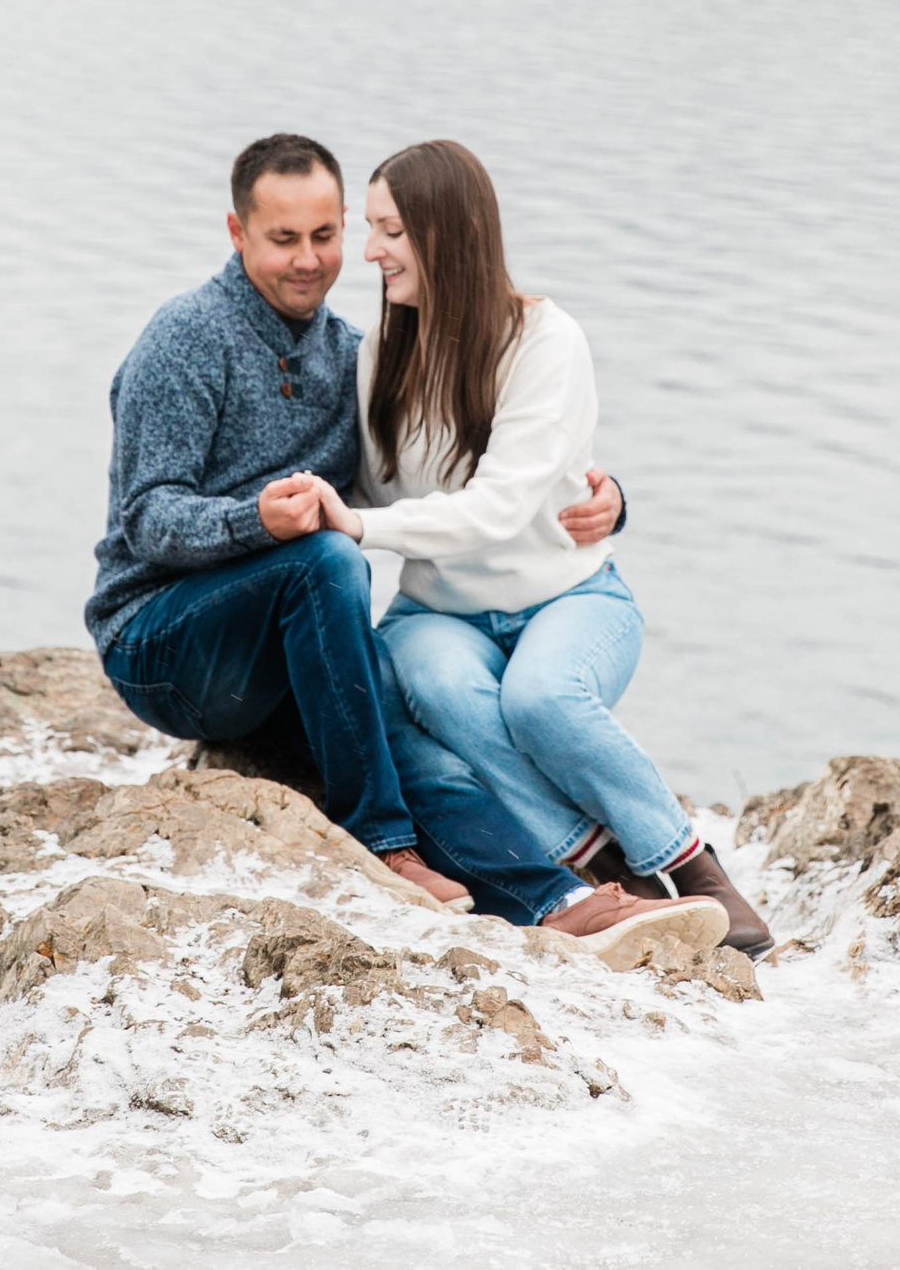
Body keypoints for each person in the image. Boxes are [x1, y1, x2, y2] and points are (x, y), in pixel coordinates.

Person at [88, 135, 731, 964]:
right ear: (236, 231)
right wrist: (257, 520)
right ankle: (389, 845)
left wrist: (602, 497)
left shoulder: (348, 355)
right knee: (328, 565)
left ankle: (555, 899)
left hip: (278, 638)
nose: (311, 260)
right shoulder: (186, 338)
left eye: (326, 234)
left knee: (390, 701)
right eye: (283, 239)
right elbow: (146, 518)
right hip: (162, 642)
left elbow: (423, 486)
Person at [302, 139, 772, 957]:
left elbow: (495, 506)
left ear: (448, 233)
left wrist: (361, 527)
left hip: (571, 596)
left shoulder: (547, 342)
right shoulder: (384, 350)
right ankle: (597, 861)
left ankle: (691, 868)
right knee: (440, 683)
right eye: (370, 229)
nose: (369, 252)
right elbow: (381, 492)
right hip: (436, 610)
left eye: (390, 231)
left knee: (542, 699)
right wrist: (333, 509)